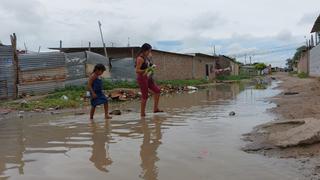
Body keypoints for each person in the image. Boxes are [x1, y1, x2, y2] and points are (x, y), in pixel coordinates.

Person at [135, 43, 163, 117]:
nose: (150, 53)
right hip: (142, 78)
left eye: (150, 51)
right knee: (145, 96)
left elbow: (149, 65)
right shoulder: (140, 58)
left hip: (148, 77)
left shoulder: (147, 57)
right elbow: (137, 70)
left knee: (157, 91)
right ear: (144, 50)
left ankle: (155, 109)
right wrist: (146, 70)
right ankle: (142, 114)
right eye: (149, 51)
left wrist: (152, 66)